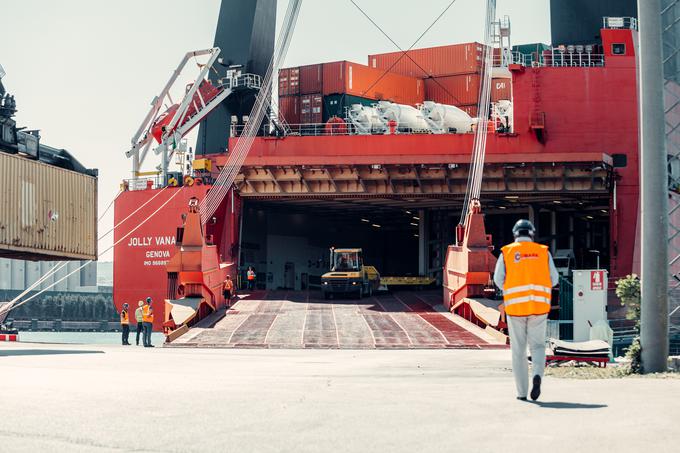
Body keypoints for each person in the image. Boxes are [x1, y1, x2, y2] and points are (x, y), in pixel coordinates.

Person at [493, 219, 559, 401]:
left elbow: (498, 279)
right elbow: (554, 279)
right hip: (539, 307)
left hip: (516, 308)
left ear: (515, 234)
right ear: (532, 233)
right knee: (537, 346)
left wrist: (510, 287)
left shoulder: (507, 252)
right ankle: (537, 375)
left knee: (519, 350)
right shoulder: (543, 252)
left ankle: (522, 393)